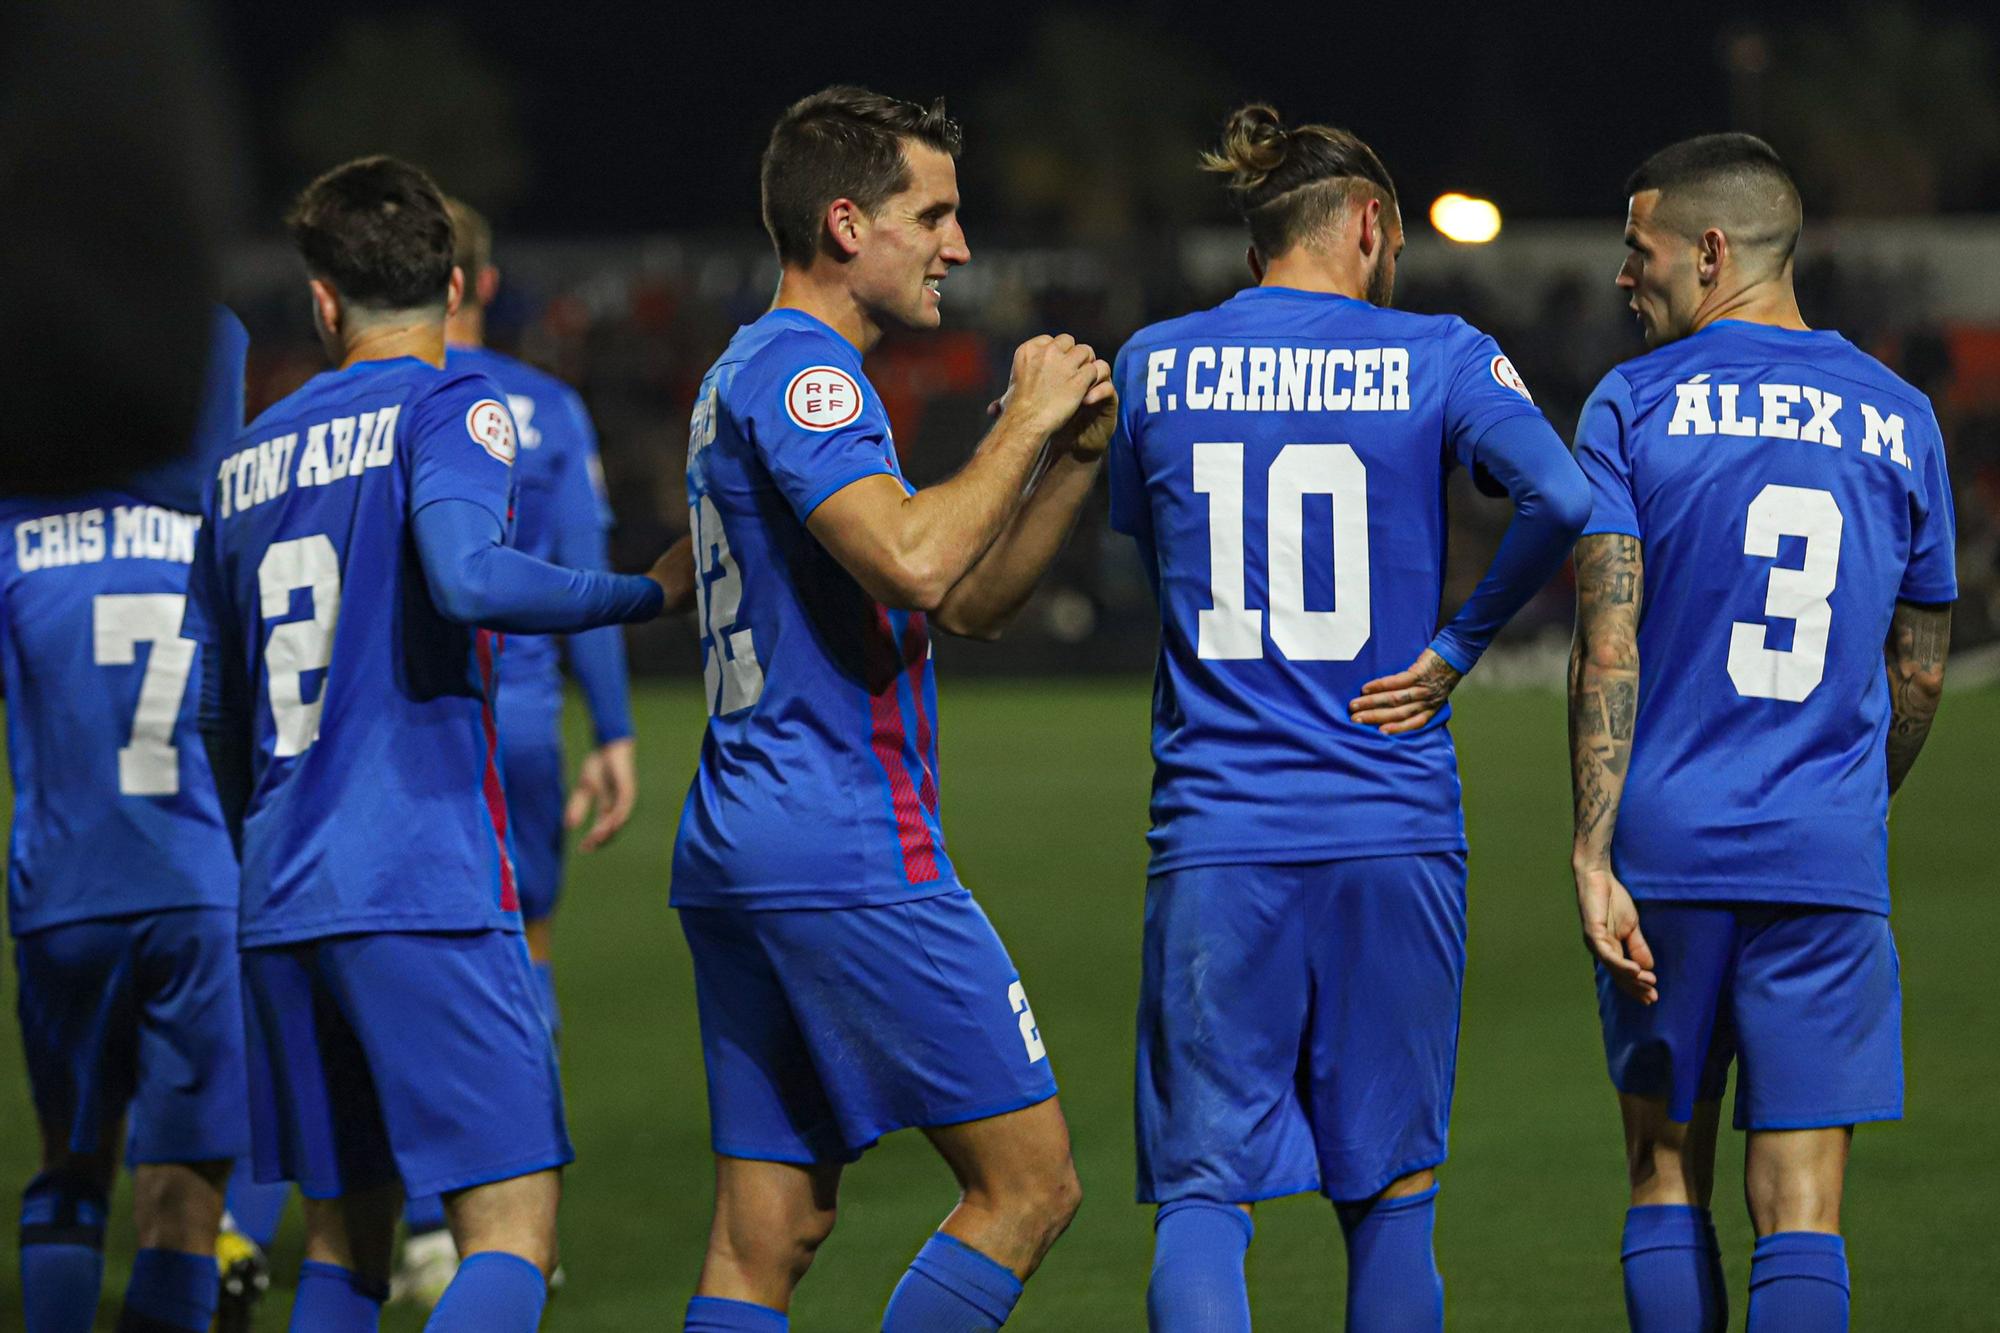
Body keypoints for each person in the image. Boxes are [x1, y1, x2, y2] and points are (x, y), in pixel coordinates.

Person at [1107, 104, 1590, 1331]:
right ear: (1370, 224)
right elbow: (1560, 491)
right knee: (1390, 1199)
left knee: (1204, 1198)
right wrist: (1454, 648)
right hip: (1390, 814)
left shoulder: (1154, 360)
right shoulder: (1433, 351)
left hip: (1218, 833)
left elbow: (1141, 554)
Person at [183, 155, 682, 1332]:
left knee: (342, 1248)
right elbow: (463, 574)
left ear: (321, 299)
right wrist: (642, 596)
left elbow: (214, 706)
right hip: (418, 876)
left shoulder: (247, 456)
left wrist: (270, 824)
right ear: (455, 284)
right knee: (508, 1236)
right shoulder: (455, 402)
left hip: (281, 888)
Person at [671, 86, 1114, 1333]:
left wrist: (1063, 462)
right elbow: (916, 564)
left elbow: (958, 608)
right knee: (1028, 1188)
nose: (957, 248)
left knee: (768, 1235)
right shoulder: (808, 376)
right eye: (935, 216)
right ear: (848, 222)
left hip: (742, 840)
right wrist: (1024, 415)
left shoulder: (739, 371)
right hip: (843, 840)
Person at [1569, 134, 1955, 1333]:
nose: (1623, 277)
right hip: (1822, 856)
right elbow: (1918, 673)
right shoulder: (1900, 418)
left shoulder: (1631, 401)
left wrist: (1589, 852)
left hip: (1663, 856)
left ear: (1710, 249)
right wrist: (1852, 798)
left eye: (1638, 251)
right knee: (1801, 1205)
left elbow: (1607, 643)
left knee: (1662, 1173)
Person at [387, 195, 646, 1307]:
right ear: (481, 283)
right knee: (521, 958)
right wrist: (618, 731)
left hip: (402, 731)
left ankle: (417, 1225)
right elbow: (578, 571)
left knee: (401, 962)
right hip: (524, 725)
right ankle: (511, 1214)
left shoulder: (373, 406)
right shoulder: (545, 406)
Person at [1, 308, 252, 1333]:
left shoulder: (13, 530)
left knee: (71, 1163)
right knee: (184, 1200)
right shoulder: (213, 536)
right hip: (193, 884)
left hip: (60, 893)